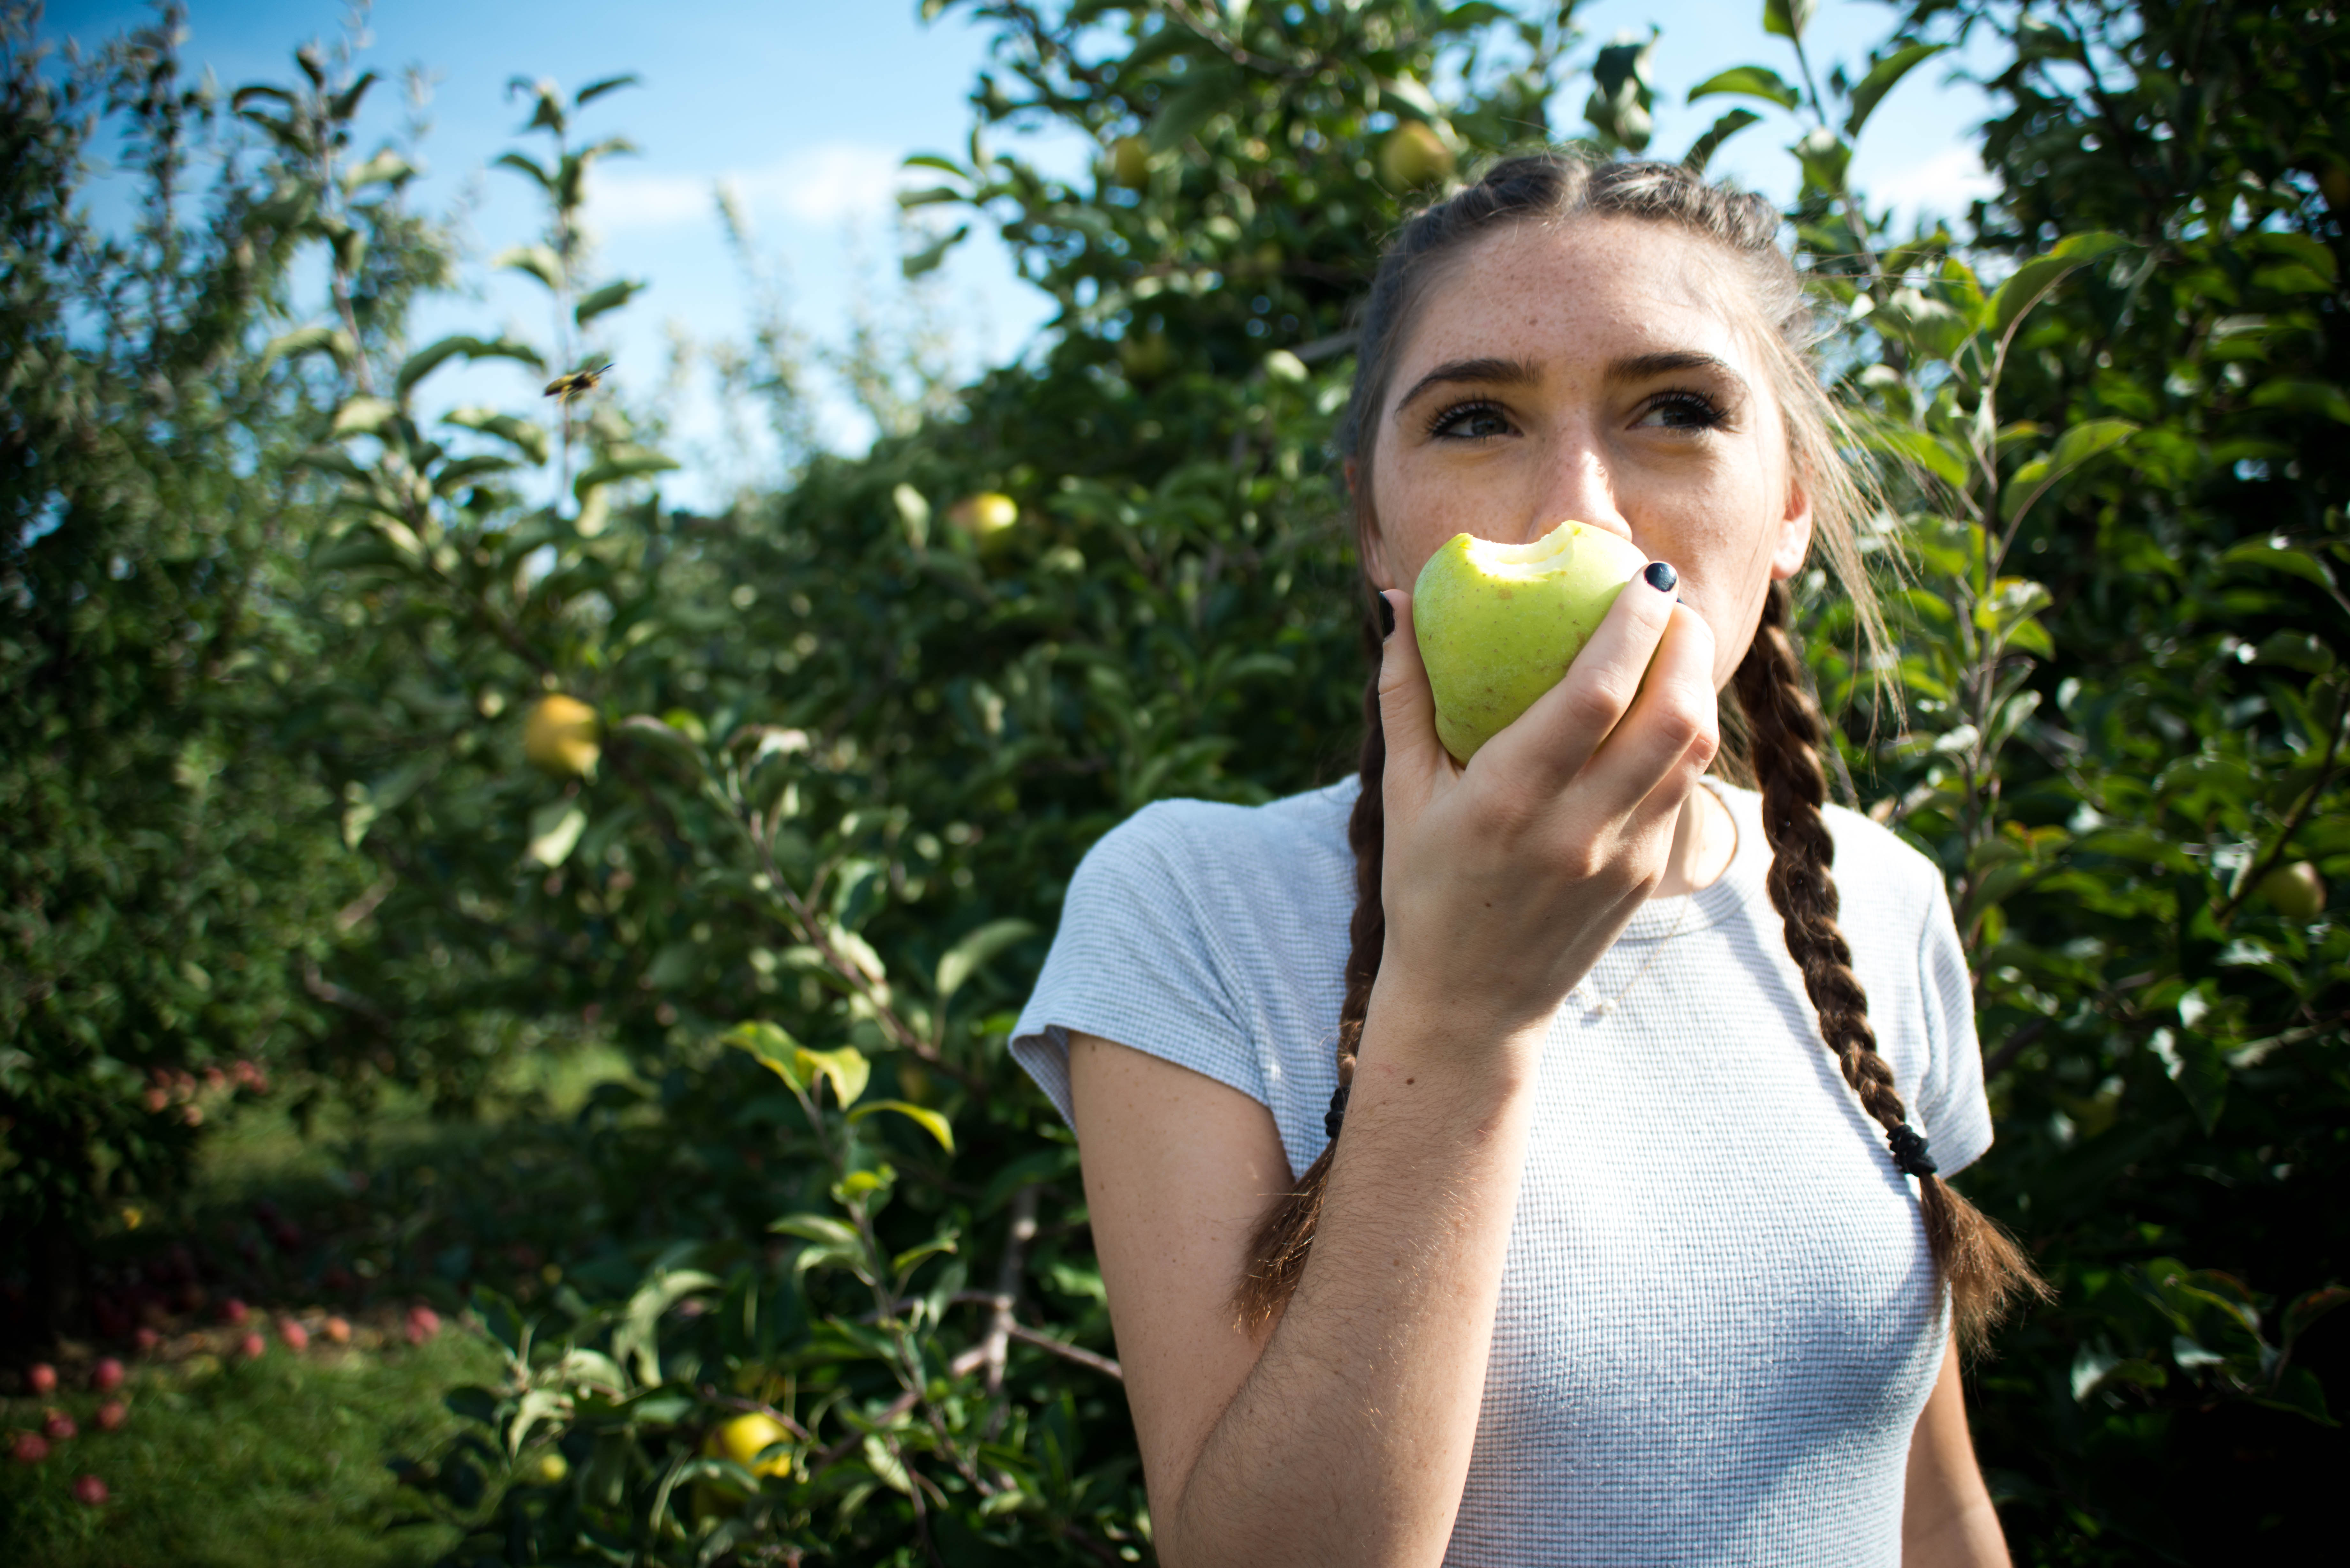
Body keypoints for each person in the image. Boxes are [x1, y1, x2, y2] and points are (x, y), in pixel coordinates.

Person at [1008, 155, 2046, 1568]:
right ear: (1375, 523)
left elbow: (1930, 1505)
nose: (1578, 516)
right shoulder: (1190, 909)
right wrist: (1466, 1008)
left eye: (1675, 410)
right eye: (1476, 418)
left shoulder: (1880, 899)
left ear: (1790, 505)